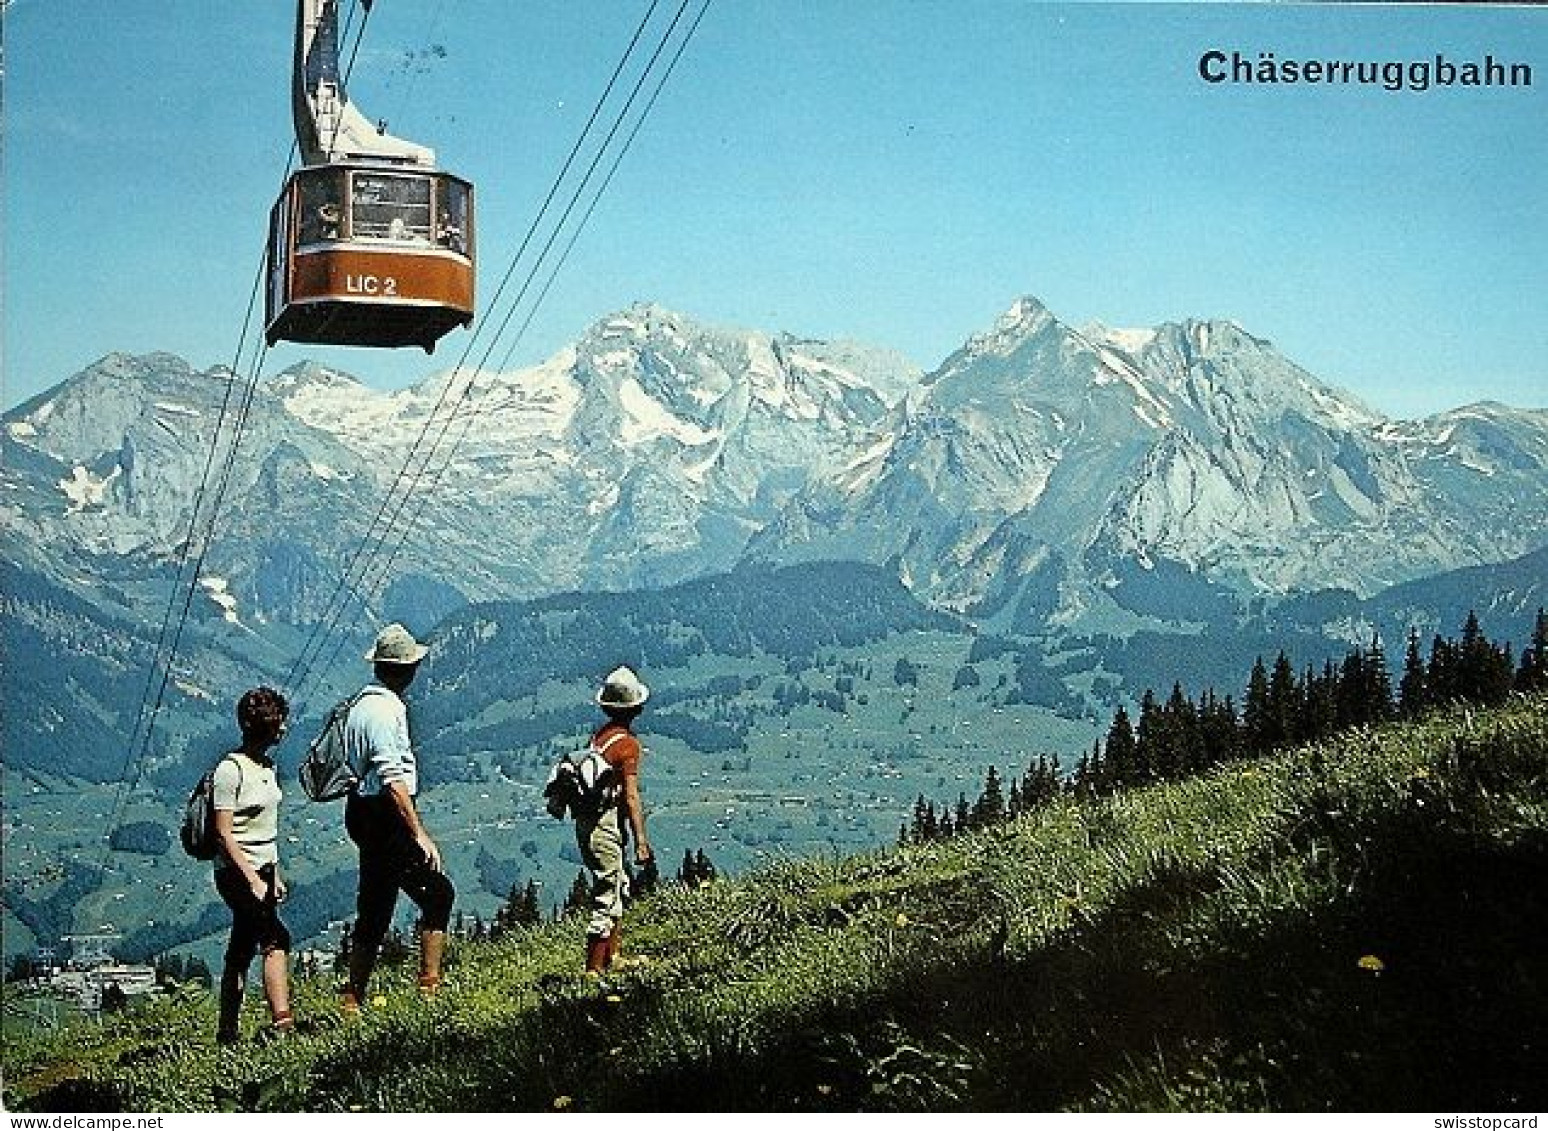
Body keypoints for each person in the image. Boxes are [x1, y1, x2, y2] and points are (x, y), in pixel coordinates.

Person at [338, 623, 455, 1012]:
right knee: (437, 894)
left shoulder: (358, 706)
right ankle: (429, 988)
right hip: (385, 814)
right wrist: (418, 832)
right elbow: (393, 780)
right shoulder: (389, 711)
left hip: (359, 808)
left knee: (375, 904)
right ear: (406, 669)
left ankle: (353, 997)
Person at [212, 686, 293, 1045]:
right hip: (235, 871)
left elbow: (266, 830)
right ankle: (282, 1023)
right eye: (280, 723)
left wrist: (274, 875)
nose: (285, 729)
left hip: (262, 869)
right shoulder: (230, 771)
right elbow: (224, 834)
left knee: (241, 948)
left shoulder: (267, 767)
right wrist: (253, 881)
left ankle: (227, 1032)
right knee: (275, 938)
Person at [576, 665, 656, 975]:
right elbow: (631, 795)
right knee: (607, 894)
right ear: (637, 706)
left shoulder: (601, 737)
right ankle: (594, 971)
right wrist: (641, 840)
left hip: (588, 822)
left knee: (617, 885)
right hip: (604, 825)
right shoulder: (628, 745)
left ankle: (612, 957)